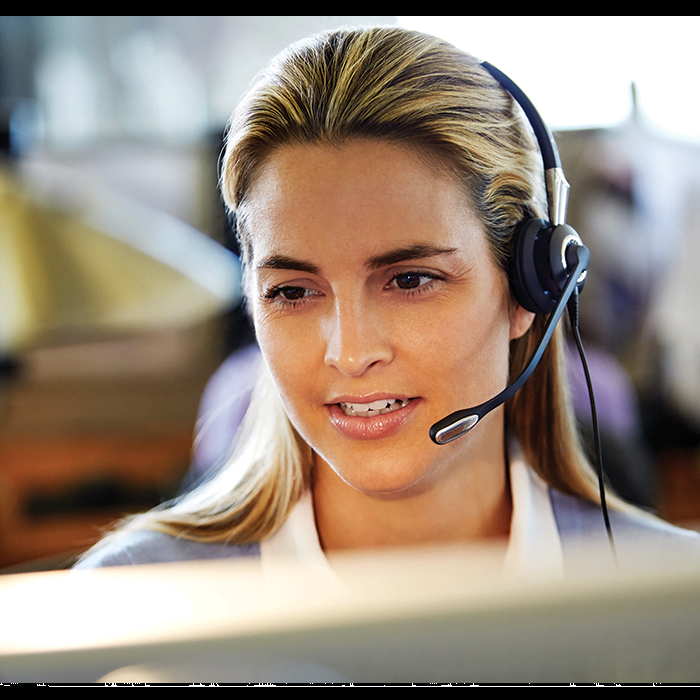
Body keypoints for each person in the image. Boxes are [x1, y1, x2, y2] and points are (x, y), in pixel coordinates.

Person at [74, 25, 699, 576]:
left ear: (530, 288)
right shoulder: (126, 601)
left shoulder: (670, 600)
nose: (350, 353)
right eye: (292, 291)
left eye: (409, 280)